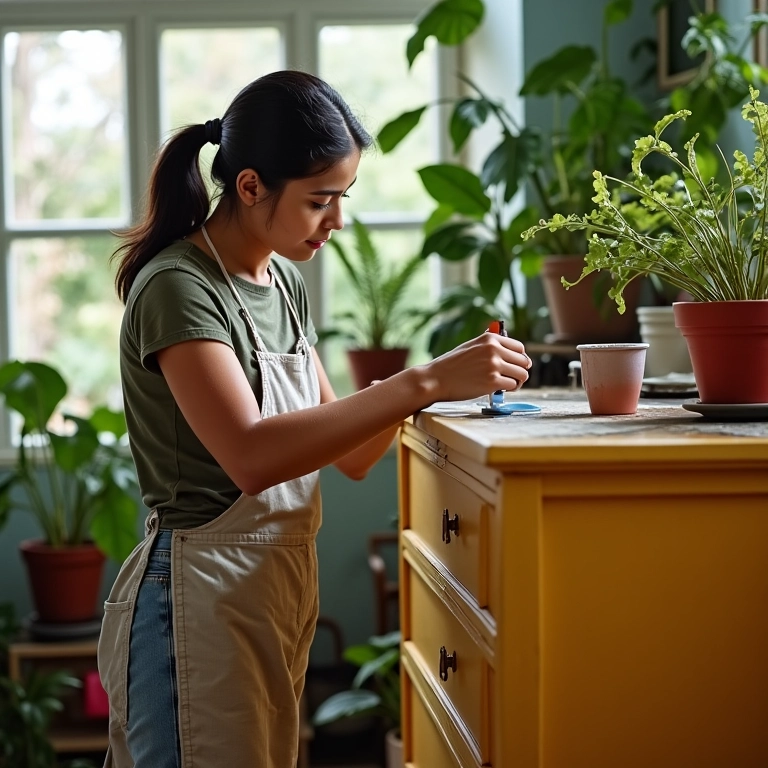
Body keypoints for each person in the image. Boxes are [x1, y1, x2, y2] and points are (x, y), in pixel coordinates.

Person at [97, 70, 531, 768]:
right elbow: (252, 456)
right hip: (196, 605)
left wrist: (439, 389)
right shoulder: (178, 288)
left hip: (274, 594)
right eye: (319, 201)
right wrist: (422, 378)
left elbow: (353, 451)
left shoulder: (282, 281)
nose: (336, 222)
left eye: (342, 199)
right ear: (249, 187)